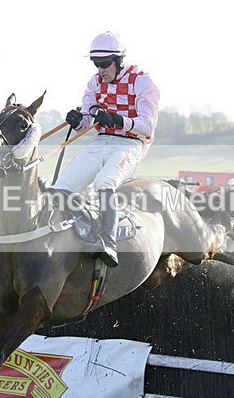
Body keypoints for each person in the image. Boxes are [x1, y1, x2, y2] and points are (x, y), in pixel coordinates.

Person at [51, 31, 160, 267]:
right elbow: (86, 120)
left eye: (105, 64)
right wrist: (76, 119)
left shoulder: (142, 81)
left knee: (104, 182)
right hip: (100, 143)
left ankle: (108, 244)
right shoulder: (94, 82)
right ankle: (81, 233)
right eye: (96, 64)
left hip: (130, 145)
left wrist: (118, 120)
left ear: (119, 61)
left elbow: (147, 125)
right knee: (61, 188)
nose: (100, 69)